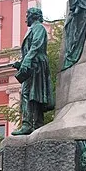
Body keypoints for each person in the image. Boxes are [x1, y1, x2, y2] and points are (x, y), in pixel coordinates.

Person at [12, 7, 54, 135]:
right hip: (33, 63)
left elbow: (36, 45)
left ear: (33, 16)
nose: (26, 19)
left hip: (36, 65)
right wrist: (21, 63)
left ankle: (28, 125)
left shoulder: (38, 28)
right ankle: (37, 124)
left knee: (29, 93)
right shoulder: (33, 29)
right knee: (34, 94)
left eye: (27, 15)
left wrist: (27, 61)